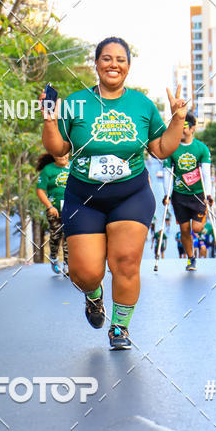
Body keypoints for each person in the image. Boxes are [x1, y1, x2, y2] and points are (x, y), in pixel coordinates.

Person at [41, 36, 187, 350]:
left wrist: (177, 119)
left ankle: (119, 327)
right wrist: (50, 119)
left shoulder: (142, 105)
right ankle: (94, 297)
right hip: (84, 197)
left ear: (128, 67)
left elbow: (161, 149)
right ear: (96, 64)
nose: (113, 65)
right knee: (85, 272)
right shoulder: (77, 103)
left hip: (131, 194)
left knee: (126, 262)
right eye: (106, 58)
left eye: (120, 59)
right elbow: (57, 148)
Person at [162, 110, 213, 272]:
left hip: (198, 194)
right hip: (179, 195)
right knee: (184, 229)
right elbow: (166, 173)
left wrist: (209, 195)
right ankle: (191, 259)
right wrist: (167, 194)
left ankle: (202, 236)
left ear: (192, 129)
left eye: (185, 126)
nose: (181, 130)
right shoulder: (172, 148)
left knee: (196, 228)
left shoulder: (201, 148)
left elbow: (206, 173)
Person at [36, 152, 70, 274]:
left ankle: (67, 263)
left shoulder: (74, 167)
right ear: (54, 155)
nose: (62, 157)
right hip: (54, 210)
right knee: (56, 236)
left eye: (65, 154)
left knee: (68, 236)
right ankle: (54, 258)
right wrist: (50, 207)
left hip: (71, 208)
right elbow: (40, 190)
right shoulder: (48, 170)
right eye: (59, 154)